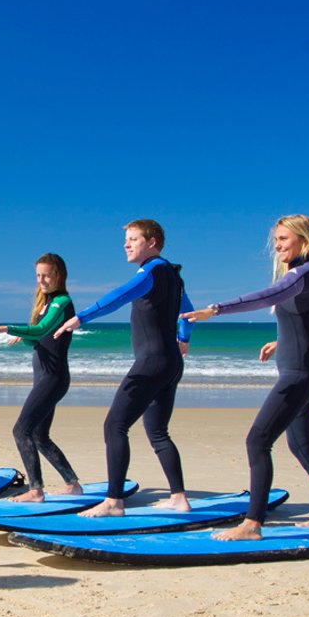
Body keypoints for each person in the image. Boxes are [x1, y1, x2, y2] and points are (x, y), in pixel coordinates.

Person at [182, 214, 309, 539]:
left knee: (258, 440)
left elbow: (266, 296)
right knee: (301, 445)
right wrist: (284, 341)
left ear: (303, 239)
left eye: (283, 239)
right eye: (276, 240)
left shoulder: (303, 274)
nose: (277, 246)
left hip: (299, 373)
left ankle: (252, 524)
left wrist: (215, 309)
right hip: (306, 369)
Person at [53, 219, 194, 517]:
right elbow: (188, 309)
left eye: (133, 239)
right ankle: (179, 497)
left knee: (114, 425)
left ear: (152, 242)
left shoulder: (152, 270)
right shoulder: (173, 274)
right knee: (157, 431)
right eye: (126, 240)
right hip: (170, 362)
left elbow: (119, 295)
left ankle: (114, 501)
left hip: (152, 362)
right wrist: (183, 337)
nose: (126, 244)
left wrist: (81, 318)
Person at [0, 253, 82, 503]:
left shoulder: (62, 302)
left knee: (21, 430)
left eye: (46, 275)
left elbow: (42, 330)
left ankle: (36, 490)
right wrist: (23, 337)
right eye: (38, 276)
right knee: (39, 435)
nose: (42, 280)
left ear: (59, 275)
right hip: (45, 377)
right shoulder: (46, 303)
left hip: (53, 379)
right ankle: (73, 484)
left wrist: (8, 328)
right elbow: (37, 339)